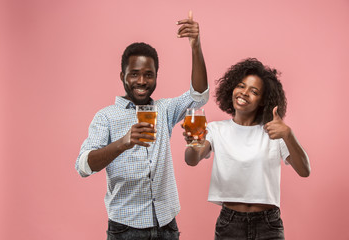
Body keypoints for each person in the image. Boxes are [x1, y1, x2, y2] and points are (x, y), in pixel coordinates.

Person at [75, 11, 208, 240]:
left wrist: (195, 46)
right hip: (126, 229)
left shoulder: (164, 109)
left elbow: (199, 96)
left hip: (167, 225)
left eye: (148, 74)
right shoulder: (106, 117)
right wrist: (123, 143)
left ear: (156, 76)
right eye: (134, 74)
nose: (141, 81)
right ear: (122, 76)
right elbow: (83, 166)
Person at [183, 58, 310, 239]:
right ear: (232, 89)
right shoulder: (216, 129)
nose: (244, 93)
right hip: (230, 223)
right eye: (241, 86)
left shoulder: (274, 131)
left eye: (254, 91)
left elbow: (305, 171)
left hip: (269, 224)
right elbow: (191, 160)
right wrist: (193, 143)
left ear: (262, 101)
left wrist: (288, 135)